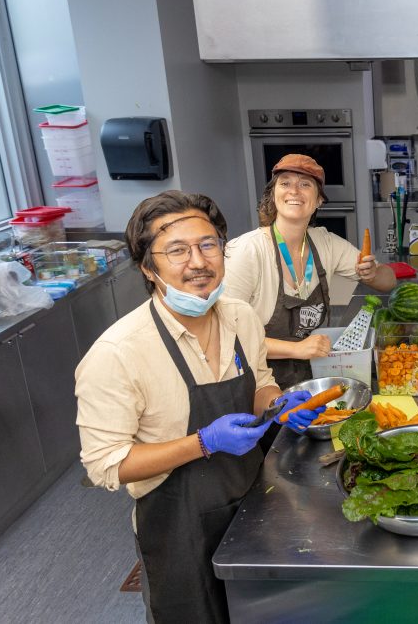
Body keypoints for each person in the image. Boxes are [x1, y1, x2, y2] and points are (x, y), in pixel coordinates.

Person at [75, 191, 323, 624]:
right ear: (148, 267)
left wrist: (278, 403)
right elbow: (106, 465)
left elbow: (261, 384)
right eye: (177, 250)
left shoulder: (240, 317)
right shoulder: (117, 353)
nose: (198, 262)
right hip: (178, 529)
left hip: (252, 505)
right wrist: (204, 442)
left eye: (209, 245)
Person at [224, 153, 396, 392]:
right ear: (273, 196)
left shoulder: (325, 243)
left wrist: (372, 272)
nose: (294, 190)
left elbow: (388, 281)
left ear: (318, 201)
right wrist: (296, 349)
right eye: (285, 183)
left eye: (305, 184)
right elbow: (226, 335)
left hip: (312, 376)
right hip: (257, 383)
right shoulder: (247, 251)